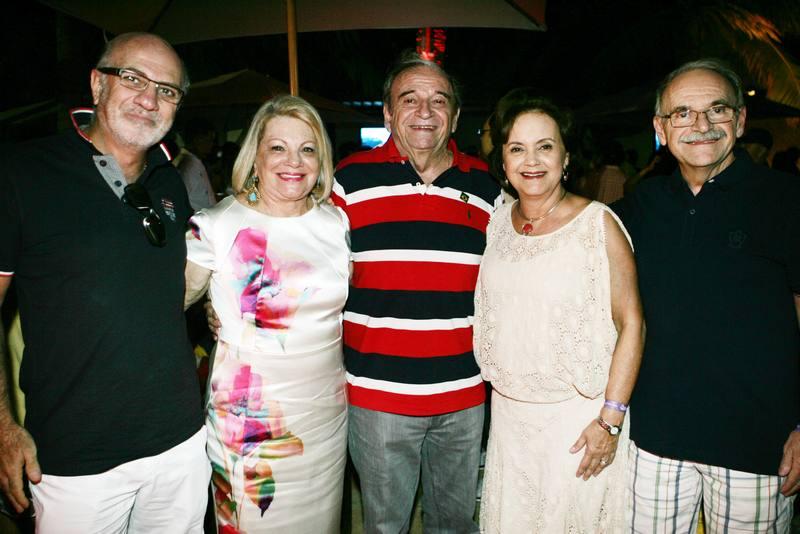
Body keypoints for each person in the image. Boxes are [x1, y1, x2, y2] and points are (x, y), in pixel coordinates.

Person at [0, 32, 209, 533]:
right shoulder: (22, 172)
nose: (149, 99)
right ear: (97, 84)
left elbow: (159, 288)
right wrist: (3, 428)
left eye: (166, 89)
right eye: (133, 79)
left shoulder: (169, 180)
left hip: (180, 445)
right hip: (76, 460)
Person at [612, 58, 800, 532]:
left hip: (757, 447)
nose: (701, 125)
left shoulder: (786, 199)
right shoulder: (641, 205)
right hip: (653, 442)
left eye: (717, 110)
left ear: (740, 119)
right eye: (683, 113)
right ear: (660, 128)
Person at [331, 53, 502, 532]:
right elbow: (307, 265)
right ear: (388, 113)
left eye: (438, 100)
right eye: (409, 100)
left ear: (455, 115)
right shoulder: (349, 180)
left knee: (456, 523)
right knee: (386, 525)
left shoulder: (487, 187)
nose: (425, 111)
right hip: (378, 396)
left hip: (463, 394)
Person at [474, 94, 643, 532]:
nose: (531, 160)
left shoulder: (597, 224)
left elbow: (632, 324)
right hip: (510, 421)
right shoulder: (497, 222)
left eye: (545, 146)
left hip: (578, 424)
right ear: (503, 161)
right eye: (517, 148)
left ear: (566, 157)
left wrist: (610, 421)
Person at [184, 95, 349, 533]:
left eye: (307, 149)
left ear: (321, 160)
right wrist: (210, 307)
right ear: (254, 156)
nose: (293, 161)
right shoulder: (215, 225)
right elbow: (166, 305)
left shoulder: (337, 224)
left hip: (325, 420)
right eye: (278, 147)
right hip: (249, 427)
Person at [176, 117, 218, 211]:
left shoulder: (196, 162)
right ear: (198, 139)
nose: (212, 145)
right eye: (209, 140)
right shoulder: (187, 164)